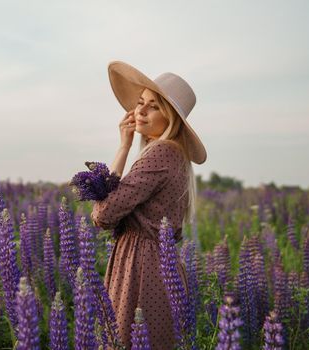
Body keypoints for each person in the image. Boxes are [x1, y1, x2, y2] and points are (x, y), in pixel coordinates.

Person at [91, 61, 207, 350]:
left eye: (153, 106)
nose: (140, 110)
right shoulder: (173, 154)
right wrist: (124, 146)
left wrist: (123, 148)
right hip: (156, 263)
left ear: (170, 118)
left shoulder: (160, 155)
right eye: (140, 103)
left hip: (141, 268)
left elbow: (104, 214)